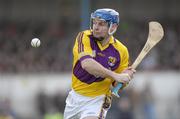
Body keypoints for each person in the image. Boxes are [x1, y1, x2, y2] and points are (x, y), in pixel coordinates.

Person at [64, 8, 136, 119]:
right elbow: (87, 64)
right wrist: (116, 75)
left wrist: (125, 78)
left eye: (101, 24)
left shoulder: (121, 51)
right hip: (75, 97)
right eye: (94, 22)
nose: (96, 27)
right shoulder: (84, 37)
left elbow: (115, 87)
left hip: (97, 100)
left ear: (113, 27)